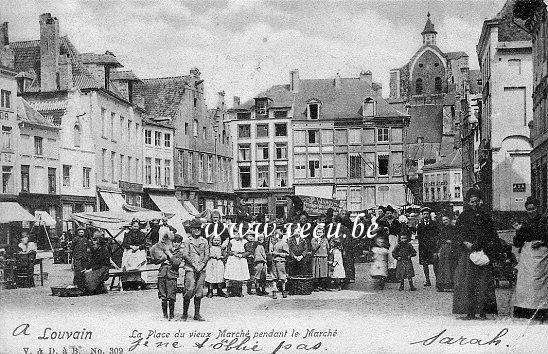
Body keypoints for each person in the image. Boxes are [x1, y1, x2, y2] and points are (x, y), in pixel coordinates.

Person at [453, 189, 500, 320]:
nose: (475, 204)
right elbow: (457, 233)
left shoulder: (485, 216)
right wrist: (464, 243)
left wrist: (483, 246)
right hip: (467, 253)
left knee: (483, 282)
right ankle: (470, 312)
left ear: (480, 201)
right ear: (468, 202)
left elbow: (491, 234)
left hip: (481, 252)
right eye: (472, 202)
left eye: (477, 201)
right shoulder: (463, 216)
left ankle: (483, 311)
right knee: (467, 282)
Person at [512, 197, 548, 322]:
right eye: (528, 209)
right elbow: (517, 242)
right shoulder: (525, 223)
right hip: (527, 256)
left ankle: (541, 310)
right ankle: (526, 309)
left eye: (533, 209)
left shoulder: (545, 221)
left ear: (538, 208)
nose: (531, 211)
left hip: (541, 255)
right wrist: (518, 231)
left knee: (538, 283)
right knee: (525, 283)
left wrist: (542, 242)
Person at [181, 219, 209, 321]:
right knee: (189, 290)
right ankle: (185, 313)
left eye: (198, 228)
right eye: (194, 228)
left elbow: (207, 255)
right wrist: (194, 265)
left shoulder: (204, 241)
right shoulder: (188, 241)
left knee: (199, 291)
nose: (197, 230)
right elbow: (185, 254)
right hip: (190, 268)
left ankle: (197, 314)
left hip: (201, 269)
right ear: (191, 229)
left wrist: (201, 266)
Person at [152, 233, 182, 320]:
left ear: (180, 243)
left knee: (171, 296)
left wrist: (169, 254)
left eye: (178, 242)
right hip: (162, 275)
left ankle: (171, 315)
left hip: (172, 276)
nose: (176, 244)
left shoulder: (179, 252)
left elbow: (176, 263)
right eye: (174, 242)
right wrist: (162, 259)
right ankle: (165, 315)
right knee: (163, 296)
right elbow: (155, 261)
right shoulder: (163, 249)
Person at [121, 219, 148, 290]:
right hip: (129, 250)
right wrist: (131, 247)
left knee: (140, 264)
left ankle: (140, 282)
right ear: (131, 226)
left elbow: (144, 243)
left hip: (139, 250)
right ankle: (128, 283)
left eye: (137, 226)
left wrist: (138, 247)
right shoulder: (127, 234)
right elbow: (124, 243)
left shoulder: (141, 234)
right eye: (134, 226)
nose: (136, 228)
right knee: (127, 263)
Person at [83, 231, 112, 295]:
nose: (93, 243)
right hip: (97, 267)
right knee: (84, 274)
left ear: (99, 242)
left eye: (95, 240)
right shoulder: (95, 250)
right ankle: (97, 288)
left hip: (103, 268)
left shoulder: (104, 250)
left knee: (90, 275)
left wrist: (91, 269)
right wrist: (87, 268)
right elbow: (92, 261)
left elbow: (101, 263)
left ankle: (94, 289)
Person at [416, 207, 439, 288]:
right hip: (423, 247)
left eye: (427, 214)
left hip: (432, 247)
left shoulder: (434, 224)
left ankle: (437, 280)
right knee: (425, 264)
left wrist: (434, 245)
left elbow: (437, 235)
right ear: (422, 215)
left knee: (435, 264)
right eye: (424, 214)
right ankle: (427, 280)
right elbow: (419, 236)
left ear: (429, 215)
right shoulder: (419, 224)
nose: (426, 215)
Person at [378, 205, 401, 283]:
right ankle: (386, 276)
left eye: (390, 213)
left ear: (393, 213)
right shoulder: (382, 222)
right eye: (387, 213)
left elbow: (399, 231)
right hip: (385, 240)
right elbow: (378, 231)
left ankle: (394, 276)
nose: (389, 215)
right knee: (386, 257)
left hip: (393, 239)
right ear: (385, 214)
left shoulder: (396, 221)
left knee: (393, 256)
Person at [224, 228, 250, 297]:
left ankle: (239, 291)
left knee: (240, 275)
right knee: (231, 275)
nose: (237, 235)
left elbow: (248, 251)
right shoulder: (231, 241)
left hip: (241, 260)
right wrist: (233, 253)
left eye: (238, 233)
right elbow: (228, 250)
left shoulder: (245, 242)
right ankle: (228, 290)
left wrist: (242, 255)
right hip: (233, 259)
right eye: (235, 233)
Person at [437, 215, 458, 292]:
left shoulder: (454, 228)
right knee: (443, 265)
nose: (445, 221)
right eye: (443, 220)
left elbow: (457, 237)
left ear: (449, 219)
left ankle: (450, 284)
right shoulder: (442, 229)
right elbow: (439, 238)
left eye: (446, 219)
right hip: (444, 248)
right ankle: (442, 284)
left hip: (452, 248)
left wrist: (452, 241)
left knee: (450, 265)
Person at [270, 229, 289, 299]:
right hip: (274, 261)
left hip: (281, 262)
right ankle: (274, 291)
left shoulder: (284, 244)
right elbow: (270, 252)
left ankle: (284, 291)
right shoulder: (273, 244)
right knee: (274, 277)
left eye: (275, 235)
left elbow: (286, 254)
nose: (274, 236)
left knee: (282, 277)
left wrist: (277, 253)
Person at [311, 225, 329, 291]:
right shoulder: (313, 240)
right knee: (317, 272)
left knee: (323, 272)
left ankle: (323, 286)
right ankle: (316, 286)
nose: (319, 234)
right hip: (317, 257)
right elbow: (313, 248)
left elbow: (327, 248)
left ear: (323, 233)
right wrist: (318, 243)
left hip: (324, 257)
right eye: (318, 232)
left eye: (320, 232)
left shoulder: (325, 240)